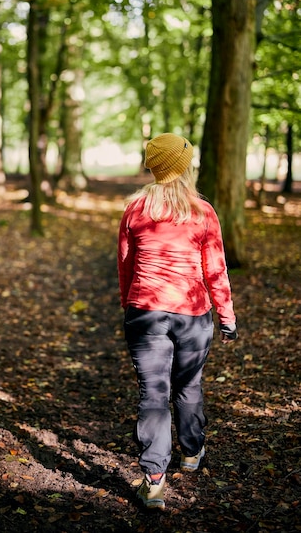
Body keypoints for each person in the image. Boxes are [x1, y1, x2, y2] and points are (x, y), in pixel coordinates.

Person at [117, 132, 238, 510]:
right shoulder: (202, 211)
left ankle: (154, 481)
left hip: (145, 313)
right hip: (192, 316)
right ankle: (191, 451)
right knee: (188, 385)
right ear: (184, 166)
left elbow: (125, 265)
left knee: (153, 394)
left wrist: (130, 306)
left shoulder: (136, 208)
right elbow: (215, 271)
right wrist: (227, 316)